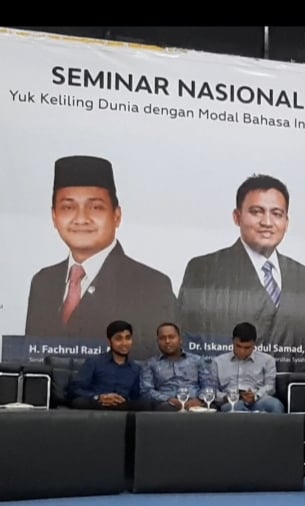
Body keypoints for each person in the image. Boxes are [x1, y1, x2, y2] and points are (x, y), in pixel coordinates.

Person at [25, 155, 176, 359]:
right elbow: (32, 358)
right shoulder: (43, 282)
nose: (81, 219)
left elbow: (157, 362)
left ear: (116, 216)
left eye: (95, 207)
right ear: (54, 216)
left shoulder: (151, 285)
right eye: (68, 207)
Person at [176, 174, 305, 365]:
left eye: (277, 214)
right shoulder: (204, 269)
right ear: (237, 217)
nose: (267, 222)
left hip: (292, 381)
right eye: (257, 212)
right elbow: (188, 343)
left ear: (286, 222)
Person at [139, 323, 217, 412]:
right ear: (158, 342)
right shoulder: (150, 364)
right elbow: (146, 391)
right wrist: (169, 399)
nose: (167, 341)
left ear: (180, 340)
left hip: (196, 403)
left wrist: (200, 399)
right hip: (167, 405)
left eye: (171, 337)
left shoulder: (197, 360)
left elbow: (209, 385)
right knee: (163, 409)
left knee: (211, 407)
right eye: (162, 338)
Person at [64, 320, 141, 411]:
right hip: (97, 407)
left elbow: (136, 397)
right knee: (79, 402)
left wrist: (124, 400)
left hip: (123, 409)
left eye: (128, 338)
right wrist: (98, 397)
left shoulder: (136, 369)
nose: (124, 343)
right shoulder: (94, 362)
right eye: (118, 339)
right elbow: (75, 389)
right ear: (110, 341)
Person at [210, 322, 284, 413]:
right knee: (236, 407)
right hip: (231, 402)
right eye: (238, 346)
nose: (242, 351)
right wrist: (225, 397)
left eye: (247, 348)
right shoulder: (218, 362)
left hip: (258, 400)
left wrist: (256, 395)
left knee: (275, 405)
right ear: (232, 341)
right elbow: (212, 391)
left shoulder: (268, 360)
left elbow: (270, 387)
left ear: (254, 344)